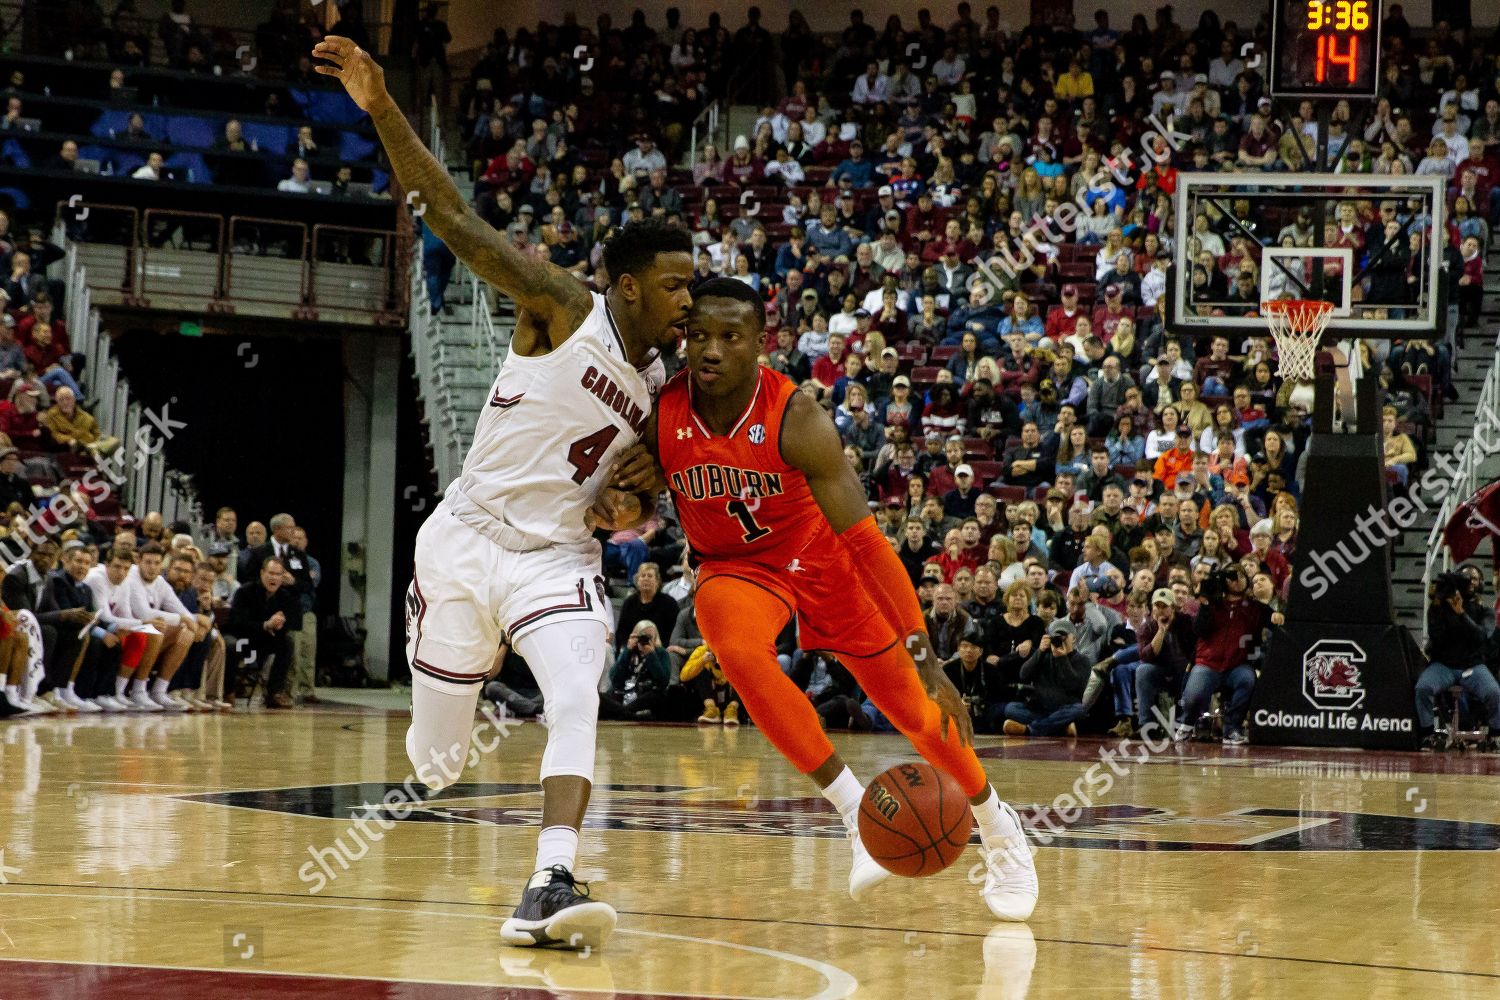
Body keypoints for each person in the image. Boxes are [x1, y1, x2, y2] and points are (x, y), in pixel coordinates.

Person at [316, 35, 695, 951]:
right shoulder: (562, 306)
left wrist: (634, 510)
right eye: (676, 286)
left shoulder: (669, 394)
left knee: (578, 686)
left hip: (555, 558)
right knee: (437, 765)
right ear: (631, 287)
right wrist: (379, 103)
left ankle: (550, 877)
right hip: (465, 539)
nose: (687, 303)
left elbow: (639, 507)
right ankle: (446, 686)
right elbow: (448, 210)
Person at [607, 278, 1039, 922]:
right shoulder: (662, 411)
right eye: (699, 336)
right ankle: (849, 813)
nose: (711, 350)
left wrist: (926, 658)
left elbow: (867, 544)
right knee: (735, 648)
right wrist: (623, 503)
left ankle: (1000, 829)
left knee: (918, 714)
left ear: (761, 343)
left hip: (820, 560)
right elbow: (633, 500)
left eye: (730, 337)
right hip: (734, 567)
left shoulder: (796, 416)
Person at [1415, 572, 1500, 750]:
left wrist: (1461, 613)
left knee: (1494, 692)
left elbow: (1480, 636)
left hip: (1472, 666)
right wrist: (1438, 608)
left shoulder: (1484, 611)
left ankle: (1495, 735)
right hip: (1443, 665)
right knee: (1423, 688)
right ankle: (1427, 734)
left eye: (1473, 579)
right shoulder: (1438, 608)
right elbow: (1436, 636)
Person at [1001, 618, 1090, 736]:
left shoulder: (1082, 660)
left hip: (1064, 709)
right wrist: (1040, 651)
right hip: (1040, 709)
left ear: (1073, 638)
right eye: (1055, 637)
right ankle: (1060, 728)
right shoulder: (1043, 656)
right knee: (1011, 708)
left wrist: (1062, 658)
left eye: (1063, 636)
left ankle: (1030, 730)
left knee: (1078, 710)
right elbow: (1024, 675)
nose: (1059, 640)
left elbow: (1073, 685)